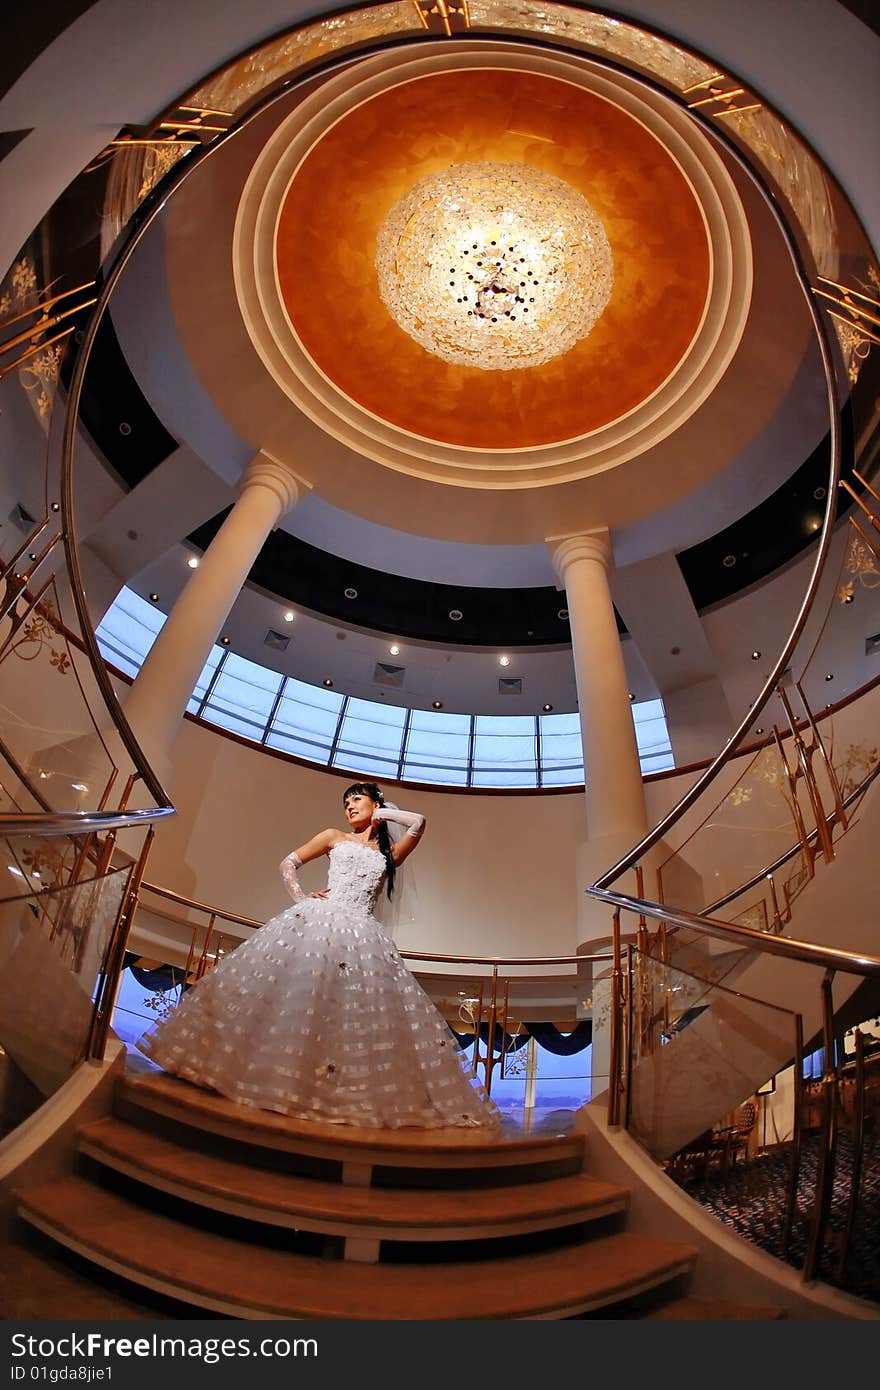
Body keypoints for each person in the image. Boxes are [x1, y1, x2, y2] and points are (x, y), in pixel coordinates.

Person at [137, 781, 498, 1129]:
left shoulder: (391, 855)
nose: (350, 807)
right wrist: (302, 898)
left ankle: (321, 1088)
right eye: (346, 803)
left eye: (357, 800)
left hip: (363, 933)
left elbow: (418, 823)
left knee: (347, 1011)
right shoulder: (333, 837)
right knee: (295, 996)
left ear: (376, 804)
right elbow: (288, 863)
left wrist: (385, 816)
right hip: (319, 919)